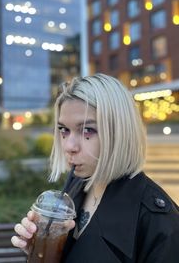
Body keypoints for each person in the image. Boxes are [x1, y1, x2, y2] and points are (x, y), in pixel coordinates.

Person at [11, 73, 179, 262]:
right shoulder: (77, 185)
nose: (69, 146)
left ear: (119, 132)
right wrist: (40, 252)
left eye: (87, 130)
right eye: (64, 130)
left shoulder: (160, 224)